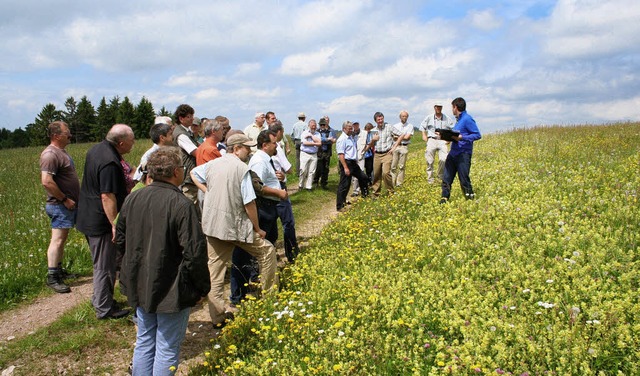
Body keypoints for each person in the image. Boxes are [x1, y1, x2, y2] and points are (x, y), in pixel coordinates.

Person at [116, 147, 210, 376]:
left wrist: (128, 271)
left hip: (139, 280)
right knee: (167, 345)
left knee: (145, 338)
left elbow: (119, 240)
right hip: (171, 286)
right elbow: (195, 252)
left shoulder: (133, 198)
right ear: (176, 172)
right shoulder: (181, 204)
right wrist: (201, 287)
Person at [201, 133, 277, 328]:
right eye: (246, 147)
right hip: (235, 225)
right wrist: (257, 228)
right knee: (267, 251)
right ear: (236, 148)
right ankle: (270, 298)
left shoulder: (213, 164)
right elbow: (249, 202)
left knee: (215, 271)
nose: (250, 151)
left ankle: (217, 317)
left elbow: (194, 174)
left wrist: (208, 191)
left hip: (213, 224)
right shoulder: (242, 168)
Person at [77, 124, 134, 319]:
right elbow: (107, 196)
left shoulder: (98, 148)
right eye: (131, 140)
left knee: (104, 263)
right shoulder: (110, 161)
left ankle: (101, 299)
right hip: (100, 221)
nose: (133, 143)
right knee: (104, 265)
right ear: (120, 142)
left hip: (88, 214)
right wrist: (114, 225)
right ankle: (104, 308)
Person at [230, 130, 287, 305]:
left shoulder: (263, 160)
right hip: (262, 209)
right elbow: (256, 189)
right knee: (251, 252)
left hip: (267, 208)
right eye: (273, 143)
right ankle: (244, 292)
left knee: (263, 249)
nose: (276, 145)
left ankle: (258, 283)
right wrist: (278, 192)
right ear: (265, 145)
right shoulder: (258, 161)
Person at [40, 121, 80, 293]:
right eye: (67, 133)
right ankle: (52, 277)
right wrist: (65, 199)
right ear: (56, 136)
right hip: (60, 205)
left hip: (66, 204)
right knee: (57, 240)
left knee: (61, 240)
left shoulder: (60, 152)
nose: (70, 136)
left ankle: (59, 270)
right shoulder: (50, 155)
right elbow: (46, 182)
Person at [440, 97, 482, 203]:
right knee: (446, 178)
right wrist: (444, 136)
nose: (452, 110)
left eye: (452, 107)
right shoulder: (458, 121)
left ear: (456, 107)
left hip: (463, 154)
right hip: (453, 153)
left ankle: (470, 200)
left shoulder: (467, 119)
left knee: (464, 179)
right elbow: (455, 136)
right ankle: (444, 198)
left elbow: (477, 135)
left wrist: (462, 138)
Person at [270, 120, 301, 263]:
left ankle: (271, 255)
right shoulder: (276, 147)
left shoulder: (259, 151)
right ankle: (291, 252)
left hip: (265, 191)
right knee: (287, 222)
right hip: (279, 188)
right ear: (278, 133)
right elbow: (288, 168)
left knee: (269, 225)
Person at [336, 121, 369, 211]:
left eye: (351, 128)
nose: (351, 130)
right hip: (346, 163)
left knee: (363, 177)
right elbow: (341, 154)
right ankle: (340, 206)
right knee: (344, 184)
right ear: (344, 129)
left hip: (353, 163)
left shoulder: (350, 137)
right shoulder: (342, 139)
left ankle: (365, 196)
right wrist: (345, 167)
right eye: (349, 128)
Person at [420, 103, 455, 184]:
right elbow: (422, 126)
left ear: (442, 107)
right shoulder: (429, 117)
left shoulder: (447, 118)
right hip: (432, 139)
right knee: (429, 160)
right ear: (434, 107)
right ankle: (430, 179)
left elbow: (453, 129)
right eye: (437, 107)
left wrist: (449, 139)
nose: (438, 108)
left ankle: (440, 177)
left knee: (444, 159)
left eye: (440, 107)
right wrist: (424, 135)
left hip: (442, 140)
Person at [172, 104, 200, 206]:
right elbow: (195, 152)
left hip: (190, 174)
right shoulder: (181, 135)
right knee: (189, 203)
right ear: (181, 118)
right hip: (187, 177)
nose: (192, 119)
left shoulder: (187, 132)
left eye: (192, 116)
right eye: (189, 116)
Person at [369, 112, 403, 196]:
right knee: (376, 174)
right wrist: (373, 140)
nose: (380, 121)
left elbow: (401, 135)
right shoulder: (373, 130)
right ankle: (376, 193)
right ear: (375, 121)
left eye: (381, 119)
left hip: (387, 153)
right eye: (378, 120)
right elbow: (371, 145)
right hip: (377, 154)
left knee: (386, 172)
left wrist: (394, 146)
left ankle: (391, 191)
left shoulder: (389, 127)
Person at [390, 110, 414, 187]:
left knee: (401, 166)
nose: (404, 117)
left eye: (406, 116)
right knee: (393, 166)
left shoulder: (410, 126)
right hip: (396, 146)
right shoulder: (395, 126)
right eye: (403, 116)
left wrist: (398, 137)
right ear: (400, 117)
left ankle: (399, 183)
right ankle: (392, 183)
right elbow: (393, 137)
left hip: (404, 146)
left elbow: (407, 138)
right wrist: (402, 136)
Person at [313, 117, 336, 189]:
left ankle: (324, 183)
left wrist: (324, 140)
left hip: (327, 152)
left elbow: (332, 141)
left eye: (323, 124)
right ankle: (315, 182)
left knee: (326, 168)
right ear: (319, 125)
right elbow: (318, 140)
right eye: (321, 125)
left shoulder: (330, 132)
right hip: (319, 152)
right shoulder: (317, 132)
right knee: (318, 168)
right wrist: (327, 139)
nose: (322, 126)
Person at [299, 119, 321, 190]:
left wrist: (311, 136)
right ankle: (301, 185)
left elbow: (319, 143)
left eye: (314, 126)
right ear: (309, 126)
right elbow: (304, 143)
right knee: (303, 170)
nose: (313, 127)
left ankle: (308, 186)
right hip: (305, 154)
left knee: (312, 171)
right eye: (312, 126)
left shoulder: (318, 134)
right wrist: (315, 143)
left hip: (314, 154)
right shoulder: (304, 133)